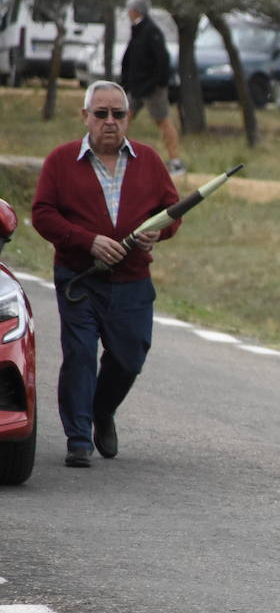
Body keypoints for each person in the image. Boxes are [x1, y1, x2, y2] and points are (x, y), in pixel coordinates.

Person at [32, 81, 180, 468]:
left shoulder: (148, 160)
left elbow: (172, 210)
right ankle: (78, 438)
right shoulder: (61, 162)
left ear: (129, 118)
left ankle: (102, 410)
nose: (110, 121)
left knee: (130, 357)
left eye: (119, 114)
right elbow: (43, 214)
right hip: (80, 278)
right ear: (86, 117)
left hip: (132, 280)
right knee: (79, 353)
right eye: (101, 114)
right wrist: (87, 241)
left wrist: (158, 232)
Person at [119, 0, 183, 175]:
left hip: (152, 88)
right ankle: (115, 157)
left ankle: (175, 161)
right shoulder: (138, 30)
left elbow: (162, 60)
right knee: (123, 119)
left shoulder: (151, 31)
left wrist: (157, 83)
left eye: (130, 9)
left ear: (136, 11)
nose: (128, 13)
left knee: (163, 121)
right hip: (137, 87)